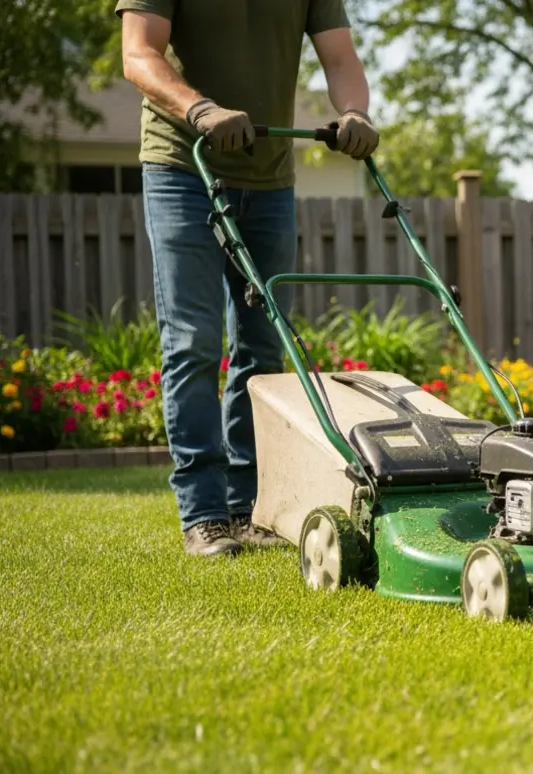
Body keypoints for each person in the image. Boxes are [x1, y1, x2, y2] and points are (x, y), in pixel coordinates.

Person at [116, 0, 380, 557]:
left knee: (262, 346)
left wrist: (354, 112)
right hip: (184, 162)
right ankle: (205, 514)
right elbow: (139, 54)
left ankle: (249, 505)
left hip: (269, 177)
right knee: (192, 340)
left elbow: (340, 57)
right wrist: (200, 108)